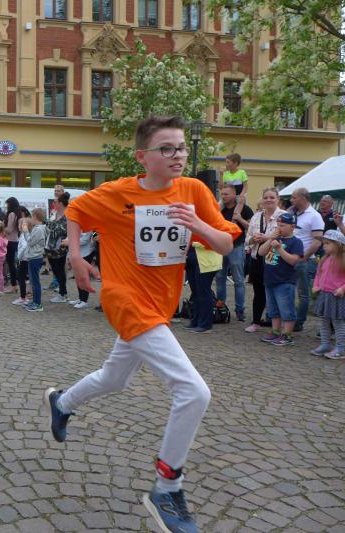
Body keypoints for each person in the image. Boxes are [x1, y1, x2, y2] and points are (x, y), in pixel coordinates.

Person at [45, 116, 240, 533]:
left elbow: (225, 243)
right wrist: (76, 256)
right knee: (193, 392)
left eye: (181, 147)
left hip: (161, 304)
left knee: (114, 378)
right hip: (125, 299)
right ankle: (167, 487)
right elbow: (75, 210)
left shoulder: (194, 191)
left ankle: (62, 403)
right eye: (166, 149)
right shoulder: (117, 193)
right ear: (142, 157)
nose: (177, 156)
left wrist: (197, 224)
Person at [258, 212, 304, 346]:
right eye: (277, 225)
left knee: (286, 309)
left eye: (282, 225)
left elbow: (293, 260)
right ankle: (275, 331)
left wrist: (279, 248)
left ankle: (287, 335)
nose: (279, 228)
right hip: (270, 279)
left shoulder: (296, 242)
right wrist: (270, 239)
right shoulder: (275, 238)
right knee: (273, 309)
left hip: (284, 281)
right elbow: (261, 252)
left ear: (292, 226)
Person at [244, 188, 285, 332]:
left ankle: (277, 324)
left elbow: (287, 236)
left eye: (272, 197)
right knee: (258, 292)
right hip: (257, 258)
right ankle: (256, 322)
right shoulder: (256, 216)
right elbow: (247, 239)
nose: (268, 200)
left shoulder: (284, 216)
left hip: (274, 259)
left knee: (275, 292)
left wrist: (266, 238)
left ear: (278, 199)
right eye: (266, 197)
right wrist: (253, 239)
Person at [215, 185, 253, 321]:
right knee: (220, 278)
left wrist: (239, 218)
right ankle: (220, 308)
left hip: (236, 247)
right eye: (222, 194)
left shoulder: (245, 209)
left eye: (226, 194)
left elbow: (251, 227)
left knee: (238, 280)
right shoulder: (219, 209)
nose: (223, 196)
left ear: (233, 195)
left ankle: (240, 310)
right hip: (220, 246)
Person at [288, 187, 324, 331]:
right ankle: (289, 318)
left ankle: (298, 322)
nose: (291, 200)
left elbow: (317, 241)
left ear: (303, 198)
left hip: (304, 260)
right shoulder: (293, 213)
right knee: (288, 290)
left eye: (294, 197)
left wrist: (303, 258)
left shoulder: (314, 216)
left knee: (302, 294)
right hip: (289, 258)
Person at [311, 230, 345, 359]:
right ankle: (325, 344)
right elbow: (318, 274)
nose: (324, 246)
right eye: (324, 243)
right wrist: (316, 285)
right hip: (324, 294)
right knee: (324, 321)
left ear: (338, 245)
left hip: (337, 296)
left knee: (338, 322)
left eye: (327, 243)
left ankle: (341, 348)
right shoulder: (324, 259)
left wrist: (342, 289)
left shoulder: (343, 260)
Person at [184, 241, 222, 333]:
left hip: (206, 259)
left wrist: (194, 242)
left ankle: (205, 324)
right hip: (191, 257)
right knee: (195, 292)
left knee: (203, 291)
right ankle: (196, 320)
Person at [20, 208, 47, 312]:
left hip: (35, 257)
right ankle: (35, 301)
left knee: (35, 282)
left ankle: (38, 304)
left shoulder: (39, 229)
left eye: (31, 216)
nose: (30, 219)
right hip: (33, 257)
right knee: (33, 281)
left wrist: (26, 231)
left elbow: (30, 242)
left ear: (35, 217)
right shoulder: (38, 228)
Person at [45, 193, 70, 304]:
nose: (53, 203)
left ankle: (63, 294)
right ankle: (62, 292)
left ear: (60, 203)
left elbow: (61, 230)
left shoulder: (68, 215)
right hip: (50, 247)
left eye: (55, 202)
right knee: (55, 271)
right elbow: (49, 227)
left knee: (60, 271)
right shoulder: (54, 214)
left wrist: (50, 225)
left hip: (60, 247)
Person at [4, 197, 21, 290]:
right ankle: (13, 284)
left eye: (7, 204)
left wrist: (1, 227)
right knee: (11, 263)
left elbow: (9, 229)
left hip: (10, 240)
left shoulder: (11, 214)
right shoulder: (17, 214)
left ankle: (13, 284)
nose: (6, 206)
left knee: (11, 264)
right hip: (15, 240)